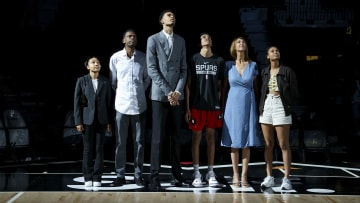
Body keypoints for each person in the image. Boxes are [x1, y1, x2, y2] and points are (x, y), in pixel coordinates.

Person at [146, 9, 188, 190]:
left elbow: (184, 69)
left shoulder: (181, 40)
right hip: (159, 95)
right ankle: (154, 177)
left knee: (176, 137)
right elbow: (151, 68)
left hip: (176, 97)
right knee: (157, 138)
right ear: (161, 20)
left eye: (173, 15)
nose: (172, 16)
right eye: (168, 15)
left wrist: (177, 92)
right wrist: (168, 91)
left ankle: (177, 176)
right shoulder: (153, 39)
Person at [108, 29, 151, 187]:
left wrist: (139, 92)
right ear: (123, 40)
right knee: (120, 143)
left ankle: (138, 175)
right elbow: (114, 82)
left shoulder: (143, 58)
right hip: (121, 106)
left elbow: (147, 80)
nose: (132, 38)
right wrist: (122, 94)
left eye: (134, 36)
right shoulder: (115, 58)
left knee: (139, 143)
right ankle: (120, 175)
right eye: (129, 36)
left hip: (139, 106)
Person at [220, 36, 262, 187]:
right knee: (234, 141)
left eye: (243, 42)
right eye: (238, 41)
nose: (241, 43)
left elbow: (256, 89)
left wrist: (258, 107)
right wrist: (222, 107)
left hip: (248, 103)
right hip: (232, 104)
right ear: (234, 46)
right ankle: (235, 174)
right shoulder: (228, 65)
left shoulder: (253, 65)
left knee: (246, 142)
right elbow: (224, 88)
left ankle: (244, 175)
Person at [184, 32, 224, 187]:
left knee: (211, 139)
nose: (206, 38)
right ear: (200, 42)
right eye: (203, 37)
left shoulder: (219, 60)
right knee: (196, 139)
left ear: (211, 41)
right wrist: (187, 108)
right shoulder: (194, 59)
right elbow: (188, 86)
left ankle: (210, 172)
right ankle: (196, 172)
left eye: (208, 37)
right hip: (196, 105)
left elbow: (220, 87)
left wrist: (220, 106)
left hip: (213, 106)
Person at [258, 46, 298, 190]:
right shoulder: (264, 72)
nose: (276, 52)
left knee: (283, 144)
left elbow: (294, 92)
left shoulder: (287, 71)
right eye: (272, 51)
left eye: (277, 51)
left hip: (281, 104)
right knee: (268, 144)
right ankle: (269, 177)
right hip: (267, 105)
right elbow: (261, 91)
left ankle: (286, 179)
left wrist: (287, 102)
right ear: (267, 56)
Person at [73, 56, 113, 188]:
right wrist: (78, 121)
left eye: (98, 62)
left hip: (101, 120)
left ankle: (97, 177)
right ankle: (87, 176)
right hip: (86, 120)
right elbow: (77, 103)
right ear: (88, 66)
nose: (96, 64)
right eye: (93, 62)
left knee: (99, 149)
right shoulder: (81, 81)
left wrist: (108, 121)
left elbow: (108, 103)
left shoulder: (105, 81)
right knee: (88, 149)